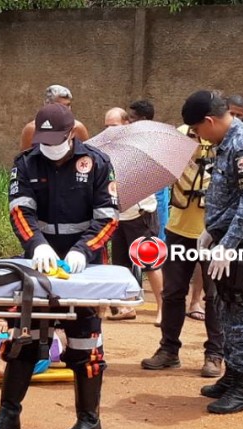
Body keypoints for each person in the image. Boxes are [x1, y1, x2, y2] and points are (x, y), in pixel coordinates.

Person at [0, 103, 119, 429]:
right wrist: (36, 245)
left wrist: (84, 249)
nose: (48, 146)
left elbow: (108, 216)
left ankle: (89, 420)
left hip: (84, 266)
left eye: (56, 139)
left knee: (84, 343)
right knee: (23, 340)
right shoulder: (26, 163)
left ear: (71, 134)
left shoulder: (96, 163)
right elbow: (19, 212)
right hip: (38, 264)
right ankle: (9, 414)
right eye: (43, 139)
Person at [182, 90, 243, 414]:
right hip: (228, 240)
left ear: (209, 121)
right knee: (225, 309)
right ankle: (231, 375)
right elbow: (234, 197)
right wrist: (212, 230)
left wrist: (227, 244)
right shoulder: (227, 142)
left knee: (240, 313)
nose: (199, 137)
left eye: (198, 130)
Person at [139, 123, 224, 377]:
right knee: (172, 292)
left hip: (214, 231)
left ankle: (215, 354)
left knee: (215, 296)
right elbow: (161, 169)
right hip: (178, 229)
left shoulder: (223, 138)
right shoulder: (182, 132)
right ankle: (168, 350)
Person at [102, 103, 164, 324]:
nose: (110, 130)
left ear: (127, 124)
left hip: (141, 212)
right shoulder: (105, 150)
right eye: (107, 126)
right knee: (121, 265)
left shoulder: (139, 147)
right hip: (119, 215)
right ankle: (127, 307)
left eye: (115, 125)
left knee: (151, 263)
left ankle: (162, 309)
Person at [128, 99, 172, 242]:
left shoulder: (155, 140)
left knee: (158, 226)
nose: (129, 121)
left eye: (132, 118)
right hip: (143, 196)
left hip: (156, 192)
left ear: (144, 119)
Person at [19, 84, 91, 151]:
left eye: (68, 105)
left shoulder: (78, 128)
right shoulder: (31, 129)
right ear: (47, 105)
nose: (66, 110)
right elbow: (24, 160)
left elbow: (87, 158)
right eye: (60, 106)